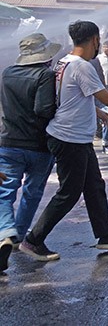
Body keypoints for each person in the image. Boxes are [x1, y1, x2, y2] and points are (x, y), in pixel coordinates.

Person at [20, 21, 108, 261]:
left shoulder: (63, 62)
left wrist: (98, 112)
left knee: (94, 186)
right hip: (69, 138)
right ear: (94, 40)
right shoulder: (82, 66)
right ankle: (33, 240)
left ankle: (107, 235)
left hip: (76, 137)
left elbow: (72, 97)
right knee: (69, 193)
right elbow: (105, 96)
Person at [0, 34, 61, 273]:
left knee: (5, 191)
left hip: (9, 142)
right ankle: (17, 235)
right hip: (39, 145)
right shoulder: (45, 75)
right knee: (32, 192)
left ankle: (6, 232)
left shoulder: (7, 73)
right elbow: (44, 109)